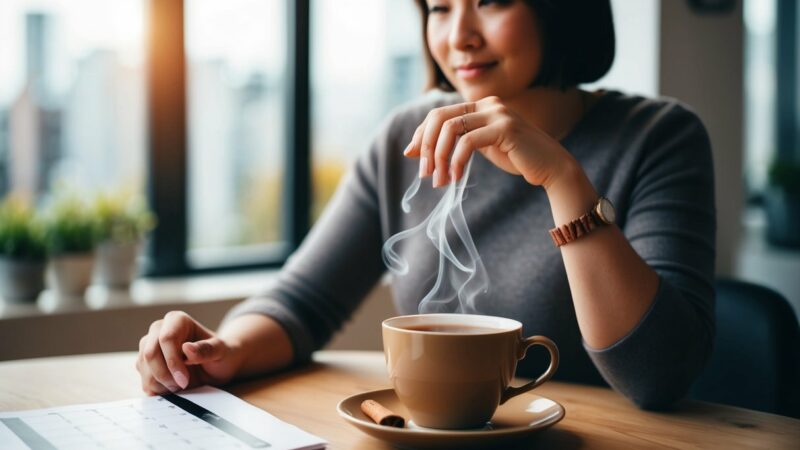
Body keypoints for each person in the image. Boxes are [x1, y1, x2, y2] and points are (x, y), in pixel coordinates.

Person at [136, 0, 715, 409]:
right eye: (439, 7)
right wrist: (224, 349)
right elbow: (305, 301)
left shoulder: (659, 137)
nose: (458, 35)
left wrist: (563, 180)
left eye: (491, 2)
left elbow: (656, 377)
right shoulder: (409, 136)